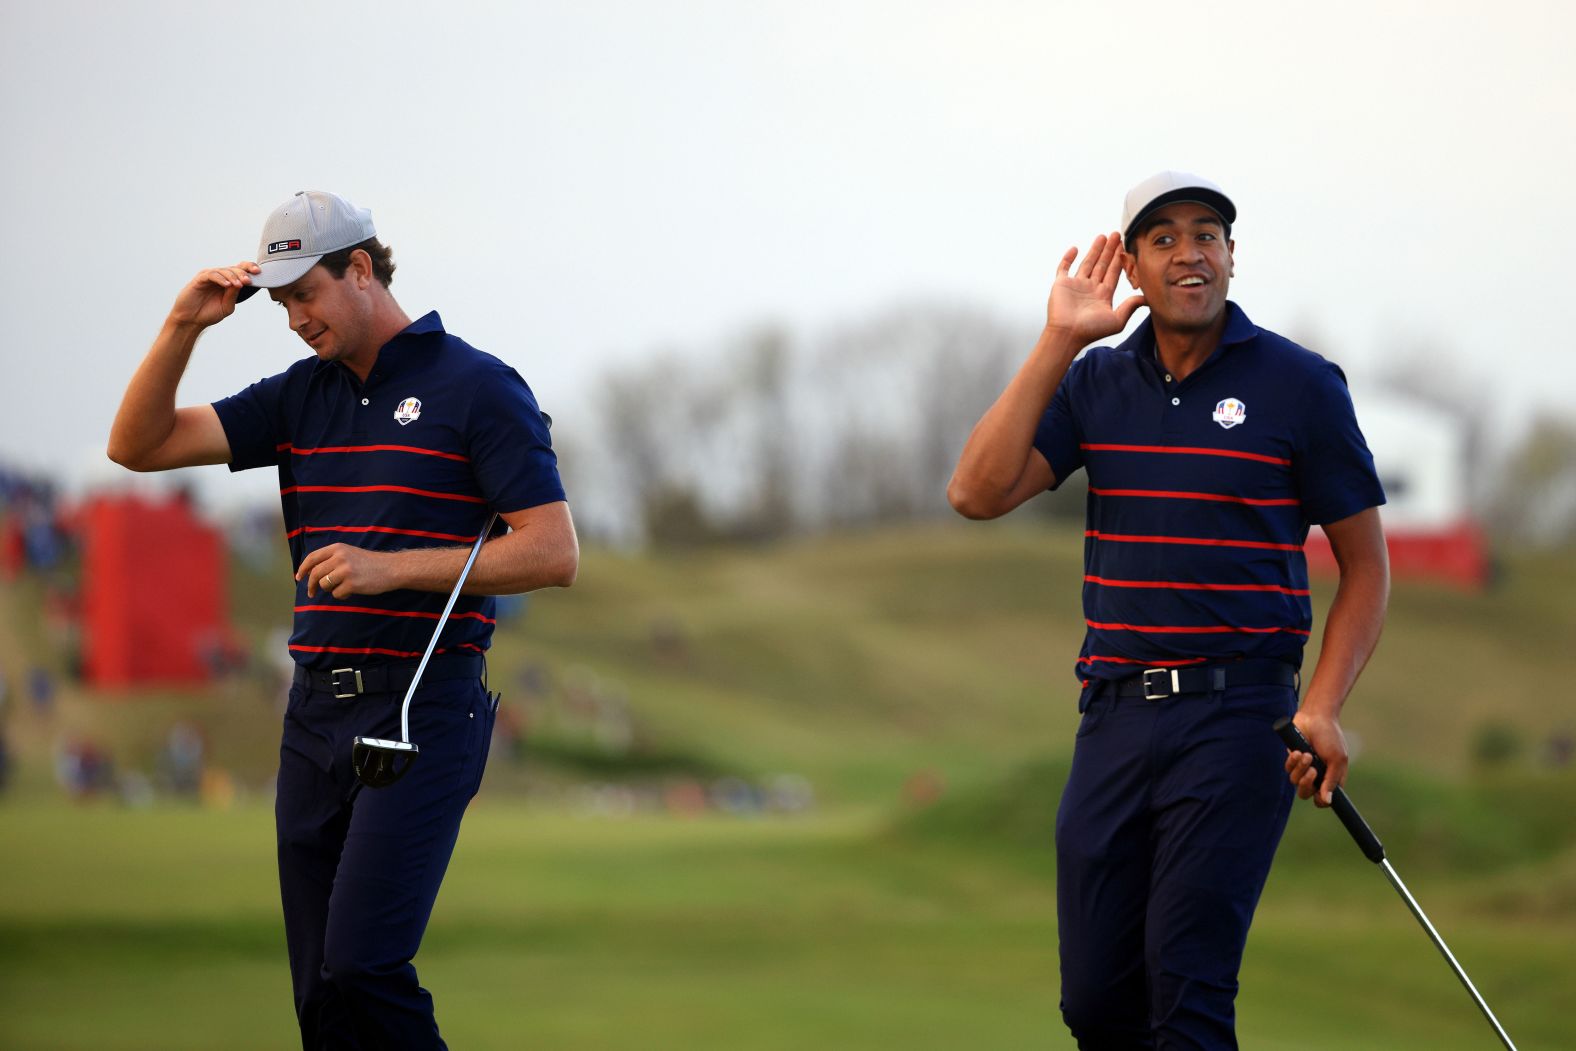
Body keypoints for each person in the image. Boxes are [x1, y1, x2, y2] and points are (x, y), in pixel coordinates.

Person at [107, 190, 579, 1049]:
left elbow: (551, 551)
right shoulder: (300, 396)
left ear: (360, 270)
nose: (293, 319)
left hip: (422, 709)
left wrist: (388, 569)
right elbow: (136, 446)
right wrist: (184, 324)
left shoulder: (477, 386)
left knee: (363, 963)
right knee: (320, 994)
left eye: (306, 294)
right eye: (279, 301)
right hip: (315, 714)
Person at [948, 172, 1389, 1048]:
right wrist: (1056, 341)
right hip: (1111, 712)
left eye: (1208, 235)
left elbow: (1366, 568)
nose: (1190, 252)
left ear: (1231, 257)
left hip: (1237, 719)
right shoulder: (1095, 384)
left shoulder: (1300, 384)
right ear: (1135, 272)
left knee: (1186, 1002)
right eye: (1163, 238)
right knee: (1097, 1004)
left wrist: (1323, 705)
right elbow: (976, 492)